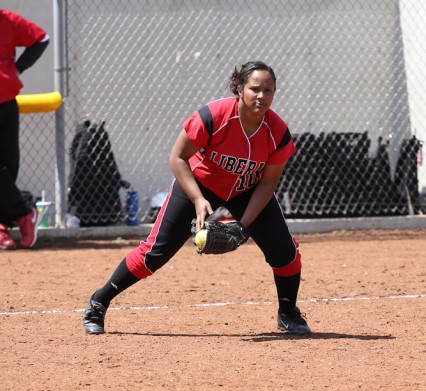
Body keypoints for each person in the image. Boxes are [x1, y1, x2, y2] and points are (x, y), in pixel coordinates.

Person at [83, 60, 311, 336]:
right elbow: (178, 157)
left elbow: (267, 184)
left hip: (247, 190)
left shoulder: (278, 133)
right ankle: (99, 301)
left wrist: (243, 226)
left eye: (268, 90)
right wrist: (198, 199)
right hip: (200, 184)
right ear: (239, 89)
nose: (262, 96)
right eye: (255, 89)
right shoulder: (214, 116)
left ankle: (288, 312)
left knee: (285, 250)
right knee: (154, 253)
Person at [0, 9, 49, 250]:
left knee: (8, 167)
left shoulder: (7, 20)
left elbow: (41, 38)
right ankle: (24, 215)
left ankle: (3, 224)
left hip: (6, 101)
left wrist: (16, 69)